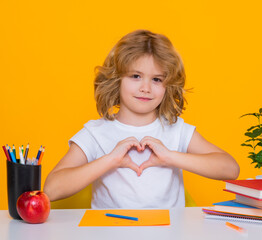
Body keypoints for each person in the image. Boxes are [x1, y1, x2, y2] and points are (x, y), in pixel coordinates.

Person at [44, 29, 239, 209]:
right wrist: (110, 160)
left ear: (167, 86)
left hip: (170, 232)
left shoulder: (176, 129)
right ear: (116, 79)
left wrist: (170, 156)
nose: (146, 88)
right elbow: (51, 189)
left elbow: (230, 169)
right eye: (136, 76)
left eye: (156, 79)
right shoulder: (95, 132)